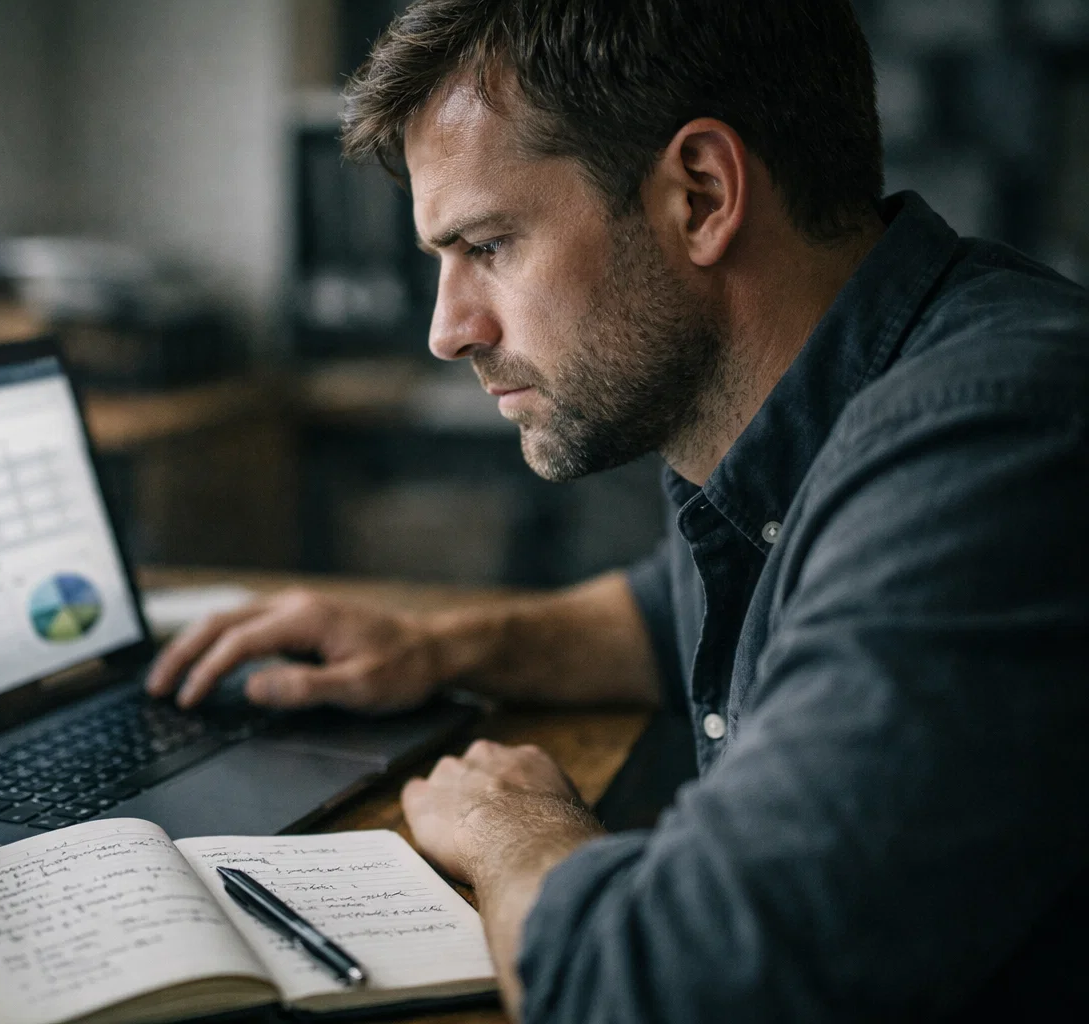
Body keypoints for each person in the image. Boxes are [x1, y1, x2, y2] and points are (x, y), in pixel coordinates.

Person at [148, 0, 1089, 1018]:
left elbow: (662, 990)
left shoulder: (994, 442)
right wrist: (437, 648)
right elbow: (668, 607)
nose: (448, 329)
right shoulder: (804, 405)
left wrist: (523, 833)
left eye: (490, 245)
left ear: (700, 194)